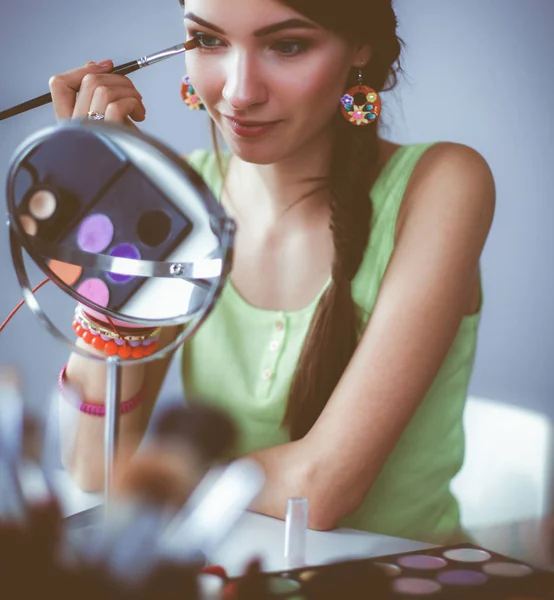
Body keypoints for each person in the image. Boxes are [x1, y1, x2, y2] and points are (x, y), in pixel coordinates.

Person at [50, 0, 495, 544]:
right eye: (208, 42)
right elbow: (93, 464)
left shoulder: (443, 185)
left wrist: (155, 481)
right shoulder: (182, 199)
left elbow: (322, 488)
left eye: (287, 46)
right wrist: (112, 223)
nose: (240, 92)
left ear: (361, 46)